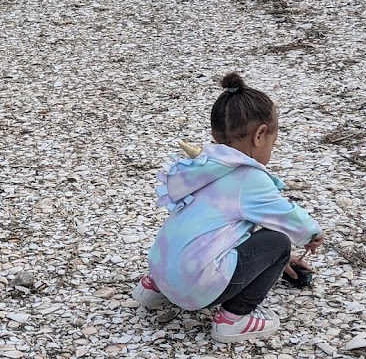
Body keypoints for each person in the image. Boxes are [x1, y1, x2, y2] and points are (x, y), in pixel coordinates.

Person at [131, 72, 324, 343]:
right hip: (195, 287)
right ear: (260, 135)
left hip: (161, 270)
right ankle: (234, 319)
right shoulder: (249, 178)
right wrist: (312, 235)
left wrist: (262, 260)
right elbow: (285, 215)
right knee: (278, 243)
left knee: (194, 229)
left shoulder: (202, 168)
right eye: (273, 142)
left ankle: (153, 289)